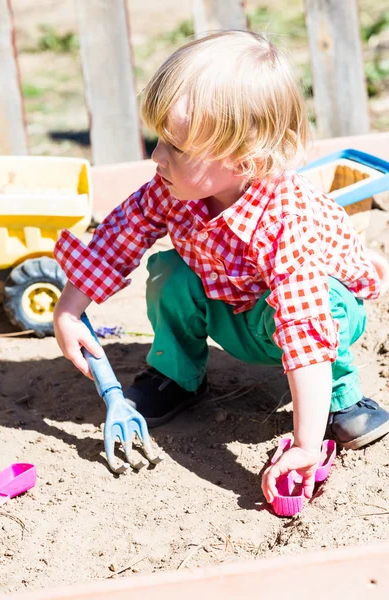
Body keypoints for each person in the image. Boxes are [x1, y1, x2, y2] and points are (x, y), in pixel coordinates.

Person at [53, 30, 389, 505]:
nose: (156, 156)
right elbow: (119, 237)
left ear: (244, 156)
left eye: (176, 146)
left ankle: (340, 399)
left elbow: (304, 326)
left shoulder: (287, 220)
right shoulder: (172, 189)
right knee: (170, 271)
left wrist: (305, 446)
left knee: (326, 305)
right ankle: (177, 375)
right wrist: (70, 308)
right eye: (158, 138)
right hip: (235, 308)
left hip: (308, 321)